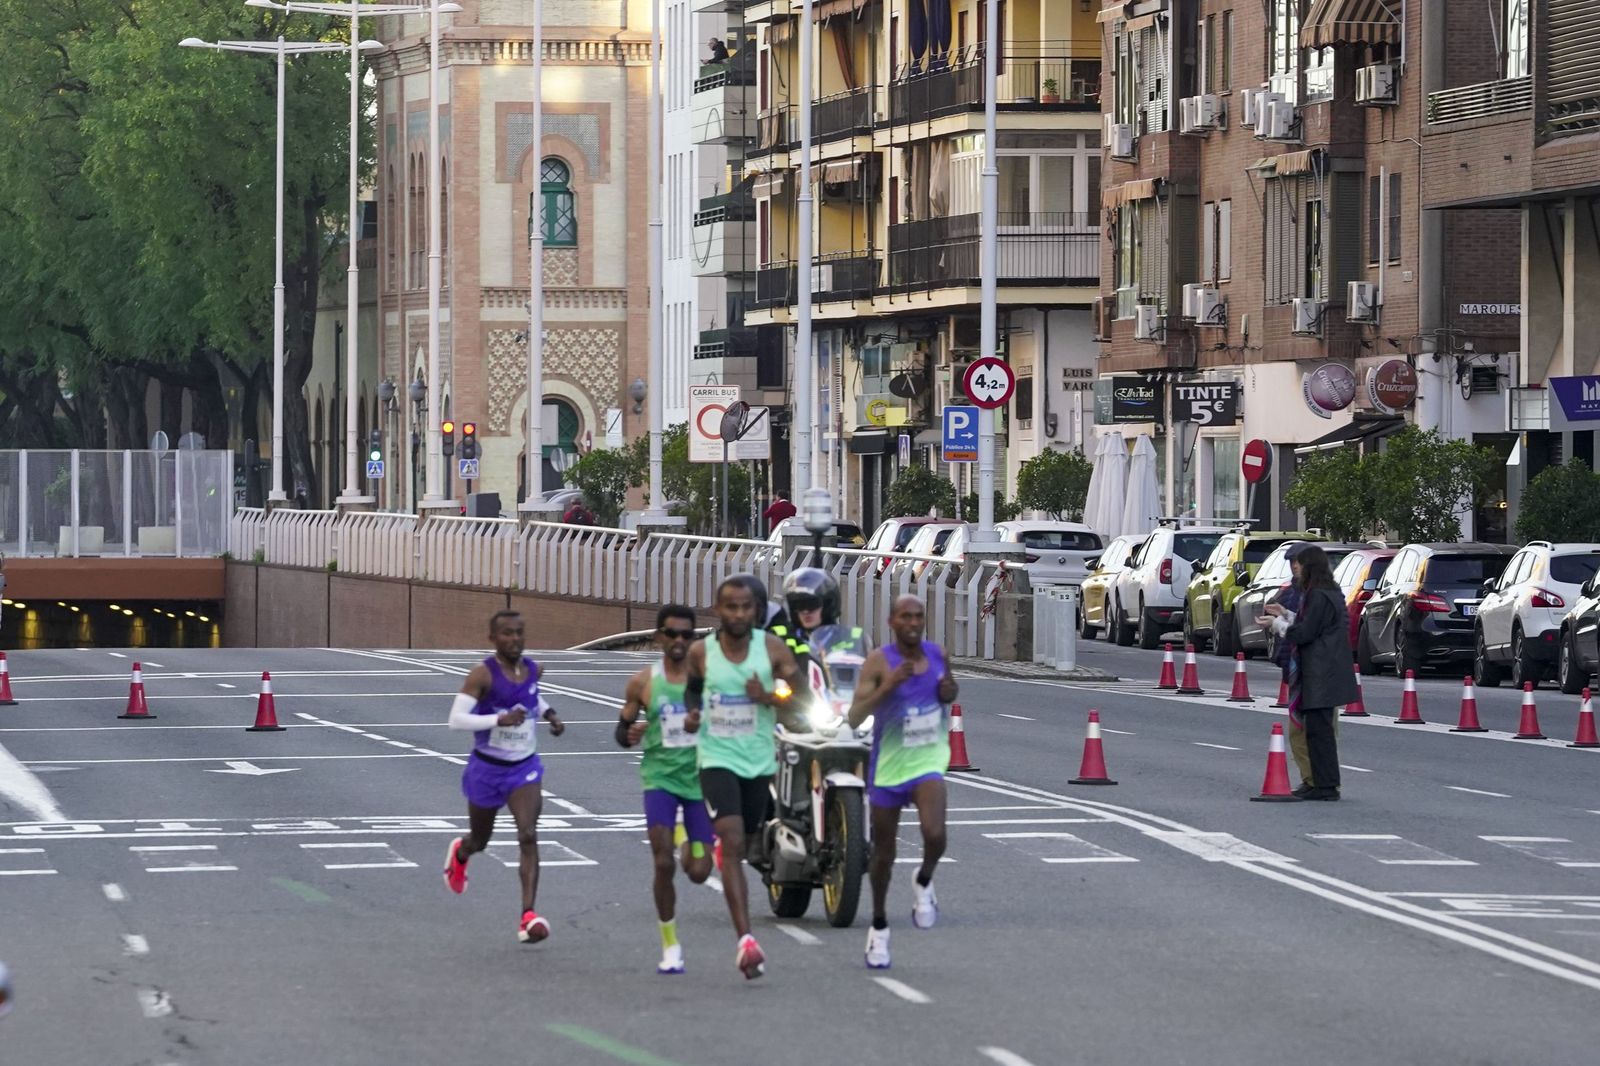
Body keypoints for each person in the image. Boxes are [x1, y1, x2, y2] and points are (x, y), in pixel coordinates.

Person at [684, 574, 807, 979]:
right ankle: (746, 941)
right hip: (716, 757)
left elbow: (802, 693)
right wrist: (693, 713)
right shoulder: (702, 652)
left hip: (759, 760)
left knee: (752, 835)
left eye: (745, 607)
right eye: (730, 606)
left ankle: (721, 845)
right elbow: (692, 690)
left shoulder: (770, 648)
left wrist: (769, 697)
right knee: (733, 842)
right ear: (718, 610)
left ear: (755, 611)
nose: (738, 614)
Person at [847, 594, 958, 969]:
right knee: (883, 854)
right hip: (890, 767)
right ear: (892, 621)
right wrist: (888, 686)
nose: (913, 622)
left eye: (918, 616)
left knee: (935, 834)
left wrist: (948, 693)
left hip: (927, 761)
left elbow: (950, 690)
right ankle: (878, 926)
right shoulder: (879, 661)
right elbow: (854, 716)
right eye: (905, 617)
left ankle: (924, 879)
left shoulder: (938, 654)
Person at [442, 610, 567, 942]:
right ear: (493, 639)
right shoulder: (482, 675)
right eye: (507, 634)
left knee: (528, 834)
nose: (514, 639)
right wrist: (498, 721)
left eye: (520, 633)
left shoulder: (533, 669)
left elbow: (532, 697)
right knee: (480, 840)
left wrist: (550, 714)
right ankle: (462, 852)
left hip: (523, 768)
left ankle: (528, 916)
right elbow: (455, 720)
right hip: (486, 769)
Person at [616, 604, 715, 974]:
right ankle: (670, 945)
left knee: (699, 871)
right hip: (658, 778)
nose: (678, 641)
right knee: (662, 862)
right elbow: (620, 732)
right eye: (671, 634)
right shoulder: (643, 683)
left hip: (699, 782)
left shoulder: (706, 681)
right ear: (659, 637)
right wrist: (630, 733)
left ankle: (686, 836)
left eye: (686, 635)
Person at [1260, 545, 1355, 802]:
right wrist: (1286, 614)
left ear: (1311, 566)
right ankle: (1319, 784)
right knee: (1316, 731)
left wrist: (1278, 625)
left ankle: (1325, 786)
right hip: (1324, 670)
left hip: (1320, 671)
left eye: (1300, 563)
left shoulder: (1319, 594)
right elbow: (1312, 623)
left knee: (1319, 733)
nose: (1296, 568)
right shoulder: (1325, 592)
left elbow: (1306, 632)